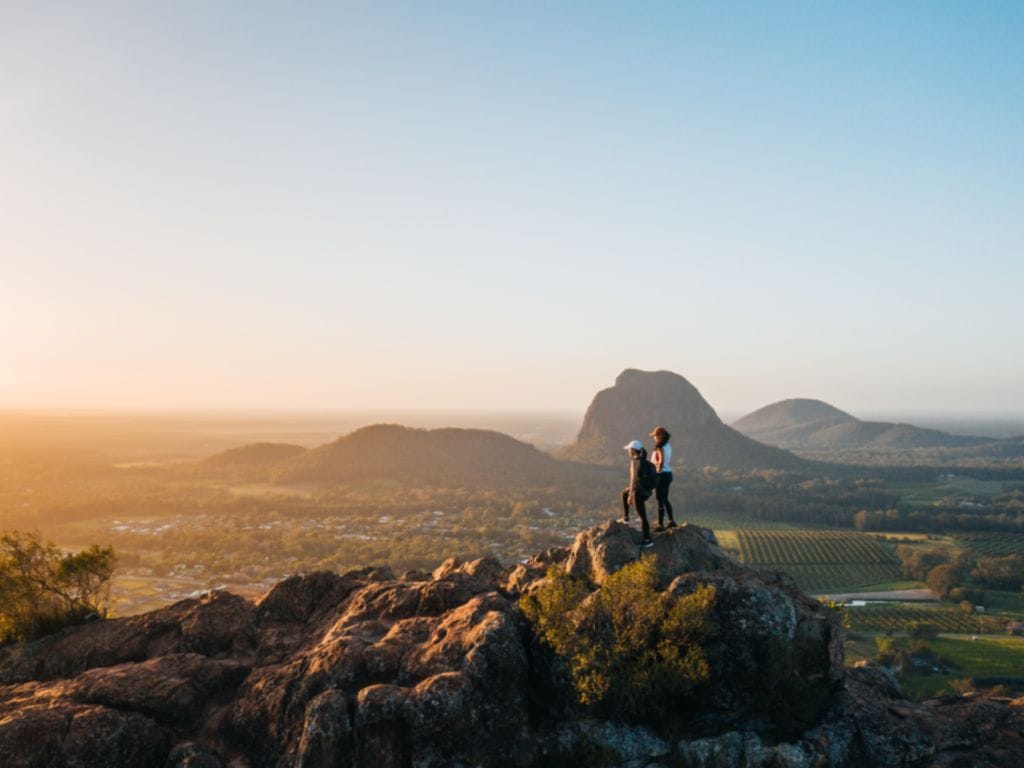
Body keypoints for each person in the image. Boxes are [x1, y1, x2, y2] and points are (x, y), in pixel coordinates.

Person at [620, 439, 654, 548]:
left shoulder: (635, 461)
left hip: (639, 493)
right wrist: (629, 492)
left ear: (633, 450)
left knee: (642, 516)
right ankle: (625, 518)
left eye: (629, 449)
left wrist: (631, 494)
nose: (628, 451)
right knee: (624, 492)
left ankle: (648, 540)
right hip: (647, 491)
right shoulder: (645, 461)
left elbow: (633, 478)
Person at [649, 426, 676, 531]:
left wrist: (657, 472)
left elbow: (661, 460)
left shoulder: (659, 446)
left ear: (660, 436)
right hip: (668, 474)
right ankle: (671, 521)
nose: (654, 438)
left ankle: (660, 525)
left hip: (661, 475)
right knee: (665, 499)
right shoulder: (668, 446)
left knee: (660, 500)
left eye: (655, 436)